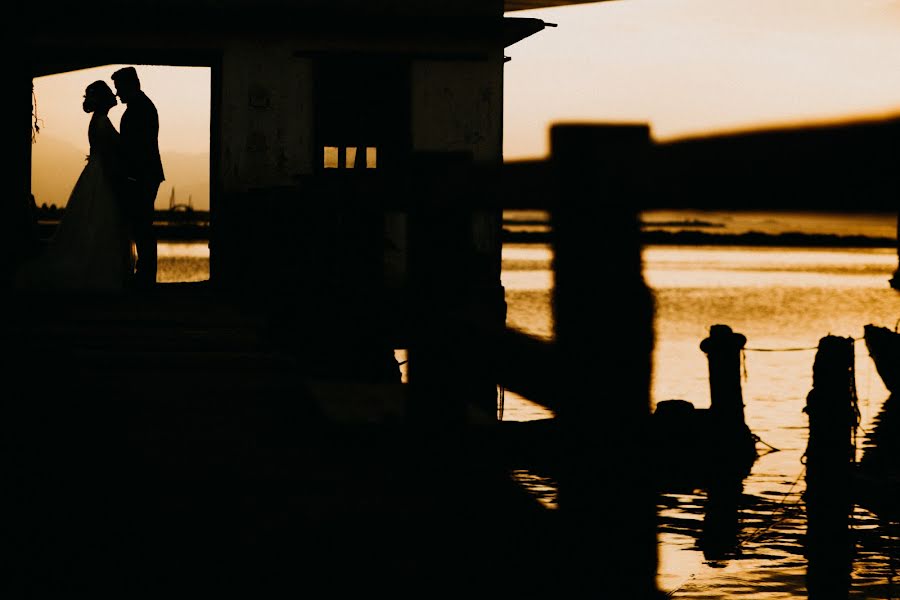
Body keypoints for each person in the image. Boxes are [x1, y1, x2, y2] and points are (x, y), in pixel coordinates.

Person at [14, 81, 134, 292]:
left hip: (95, 171)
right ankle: (98, 271)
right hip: (102, 174)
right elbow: (112, 149)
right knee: (100, 221)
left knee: (90, 222)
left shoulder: (96, 120)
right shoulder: (102, 121)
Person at [112, 66, 165, 289]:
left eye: (119, 88)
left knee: (143, 226)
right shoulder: (141, 106)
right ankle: (145, 275)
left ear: (129, 85)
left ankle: (145, 277)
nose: (117, 94)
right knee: (142, 225)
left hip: (142, 175)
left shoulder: (141, 109)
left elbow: (138, 148)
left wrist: (130, 175)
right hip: (144, 174)